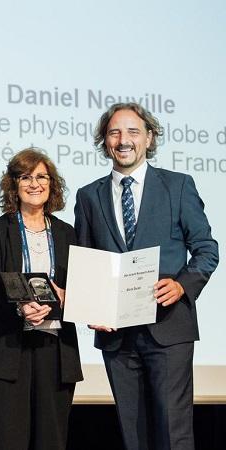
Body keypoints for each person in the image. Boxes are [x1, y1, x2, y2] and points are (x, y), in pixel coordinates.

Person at [74, 103, 219, 450]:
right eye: (114, 132)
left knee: (173, 432)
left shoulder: (178, 186)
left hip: (168, 328)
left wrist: (183, 283)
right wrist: (90, 307)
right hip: (117, 337)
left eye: (132, 131)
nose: (123, 140)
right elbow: (86, 262)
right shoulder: (88, 196)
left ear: (149, 137)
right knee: (132, 434)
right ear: (104, 140)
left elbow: (206, 249)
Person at [0, 148, 83, 450]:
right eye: (26, 177)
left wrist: (66, 297)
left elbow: (83, 287)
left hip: (55, 347)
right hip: (7, 347)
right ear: (14, 185)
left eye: (41, 177)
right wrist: (21, 306)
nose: (35, 184)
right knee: (7, 440)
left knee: (52, 439)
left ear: (52, 184)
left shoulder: (67, 234)